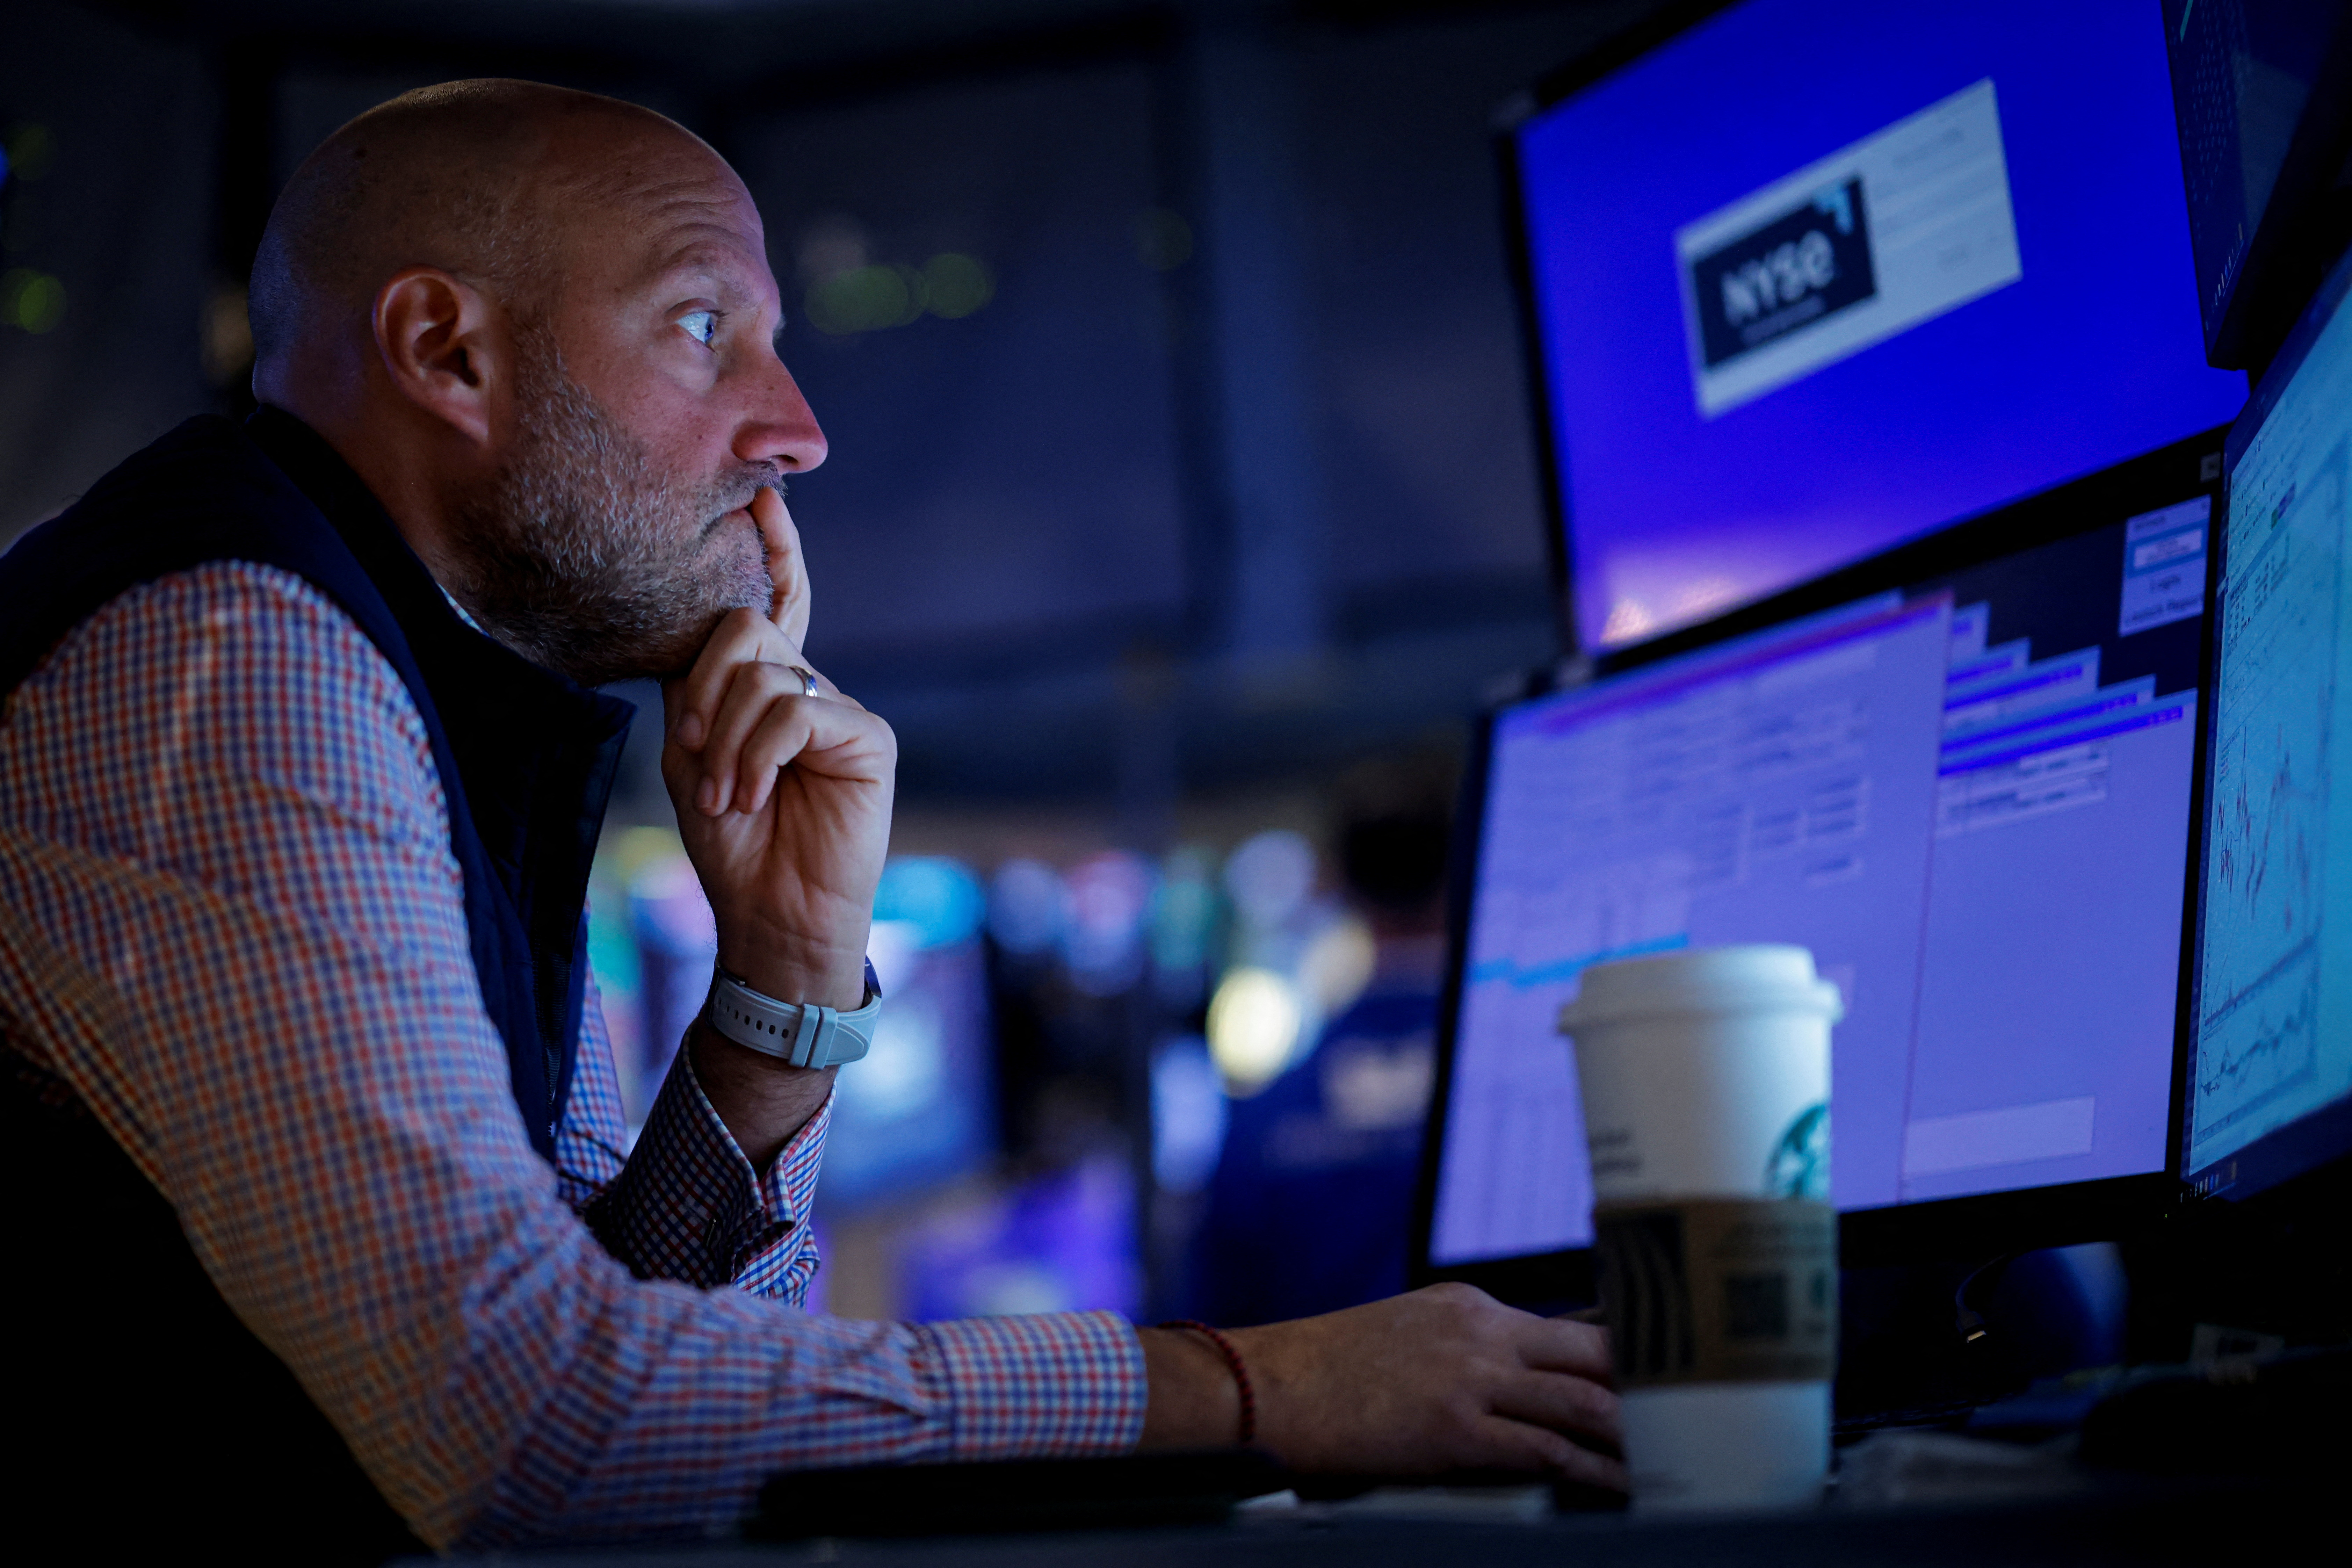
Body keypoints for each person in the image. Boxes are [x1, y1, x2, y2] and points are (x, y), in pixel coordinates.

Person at [0, 80, 1621, 1555]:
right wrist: (1255, 1387)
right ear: (446, 355)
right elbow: (537, 1427)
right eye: (704, 325)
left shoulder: (438, 687)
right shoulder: (233, 649)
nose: (798, 428)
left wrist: (780, 977)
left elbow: (634, 1400)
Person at [1193, 771, 1452, 1325]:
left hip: (1331, 1407)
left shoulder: (1268, 1113)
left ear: (1338, 886)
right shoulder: (1535, 1088)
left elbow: (1210, 1327)